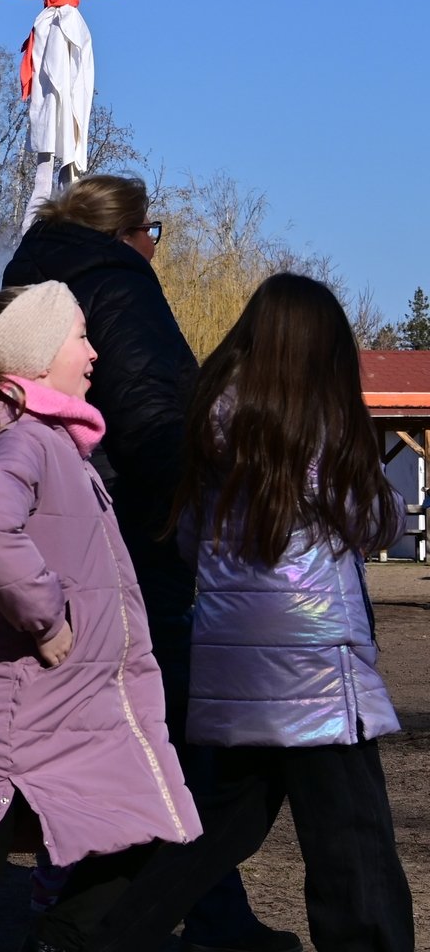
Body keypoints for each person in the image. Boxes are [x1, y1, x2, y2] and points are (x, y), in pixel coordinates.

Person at [2, 175, 292, 952]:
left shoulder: (36, 284)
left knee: (150, 745)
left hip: (72, 534)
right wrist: (188, 520)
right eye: (155, 228)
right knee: (175, 749)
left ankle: (202, 917)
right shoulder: (120, 287)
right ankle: (87, 921)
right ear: (130, 232)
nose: (159, 244)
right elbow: (154, 414)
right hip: (132, 545)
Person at [90, 274, 413, 952]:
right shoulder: (319, 421)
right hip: (318, 658)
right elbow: (372, 522)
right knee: (352, 828)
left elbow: (188, 539)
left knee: (227, 822)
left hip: (236, 654)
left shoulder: (210, 419)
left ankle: (105, 933)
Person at [0, 282, 198, 952]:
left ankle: (61, 937)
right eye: (80, 337)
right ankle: (52, 938)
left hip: (72, 702)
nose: (94, 354)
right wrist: (48, 619)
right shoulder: (21, 441)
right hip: (26, 701)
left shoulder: (51, 440)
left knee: (147, 819)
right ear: (34, 357)